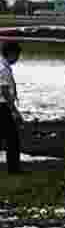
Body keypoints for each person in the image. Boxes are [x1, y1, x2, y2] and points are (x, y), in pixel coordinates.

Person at [0, 41, 24, 174]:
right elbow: (4, 90)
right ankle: (13, 169)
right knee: (12, 138)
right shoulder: (3, 69)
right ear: (11, 54)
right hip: (3, 106)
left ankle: (13, 168)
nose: (17, 59)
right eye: (17, 56)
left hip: (3, 105)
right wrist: (14, 110)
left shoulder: (2, 65)